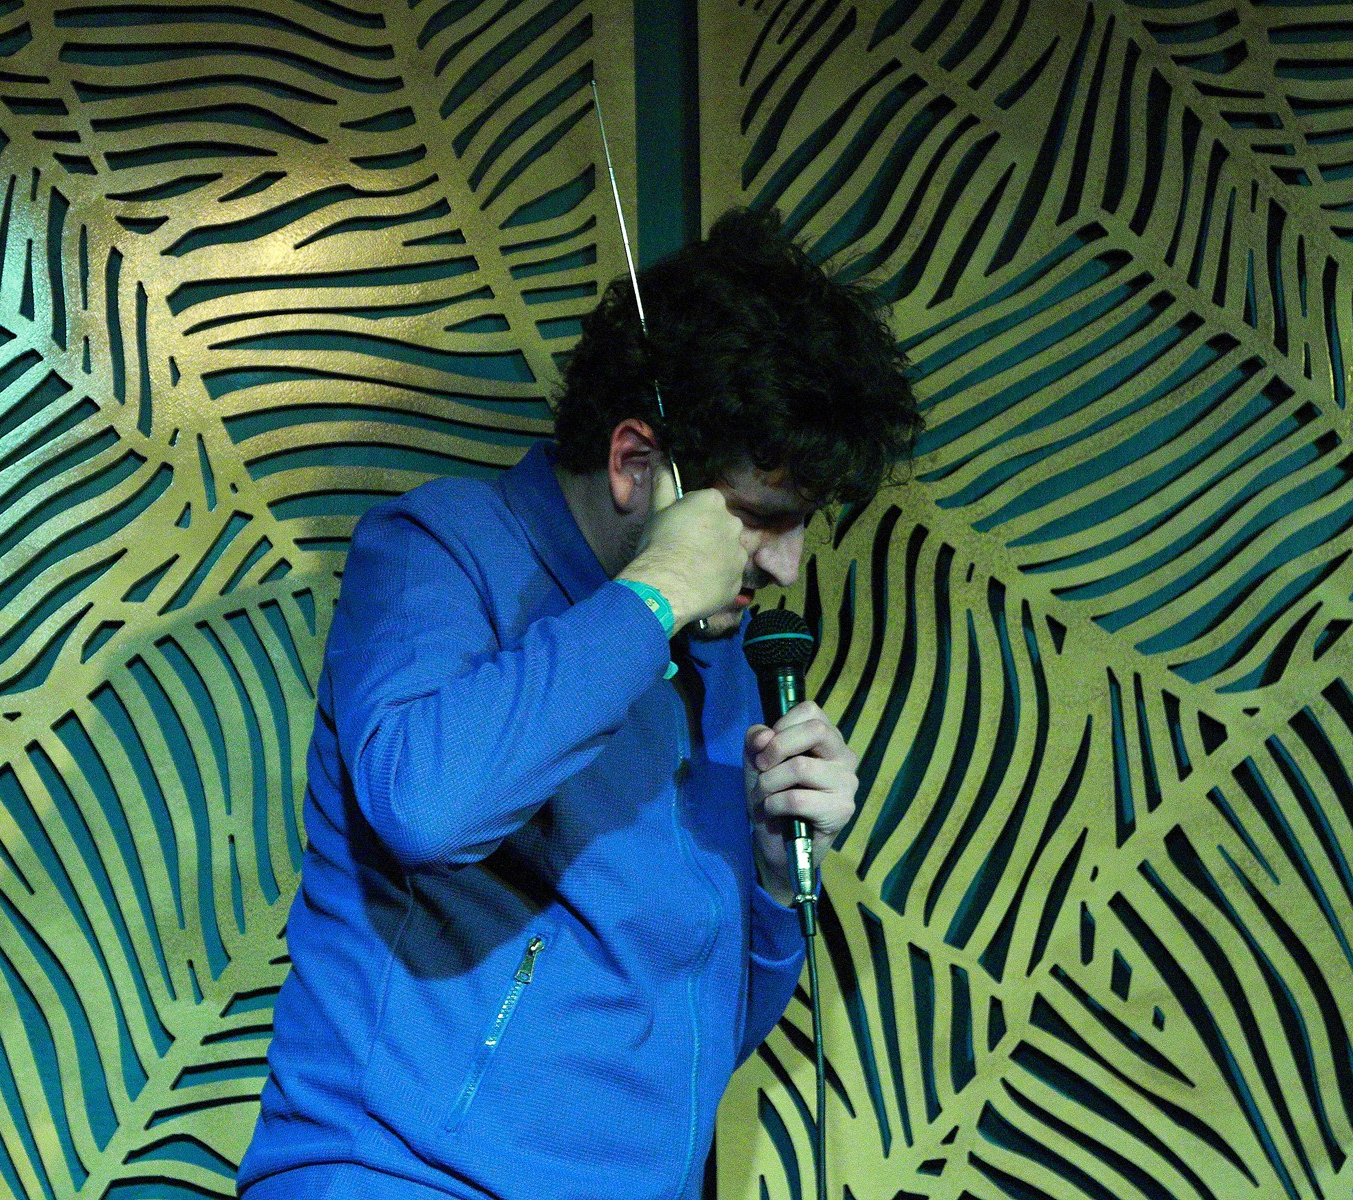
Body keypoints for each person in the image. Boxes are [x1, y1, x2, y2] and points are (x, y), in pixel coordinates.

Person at [236, 207, 922, 1200]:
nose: (785, 564)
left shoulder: (720, 661)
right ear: (638, 464)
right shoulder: (441, 551)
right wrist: (650, 600)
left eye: (803, 524)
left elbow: (684, 1046)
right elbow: (426, 807)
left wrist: (775, 887)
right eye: (761, 520)